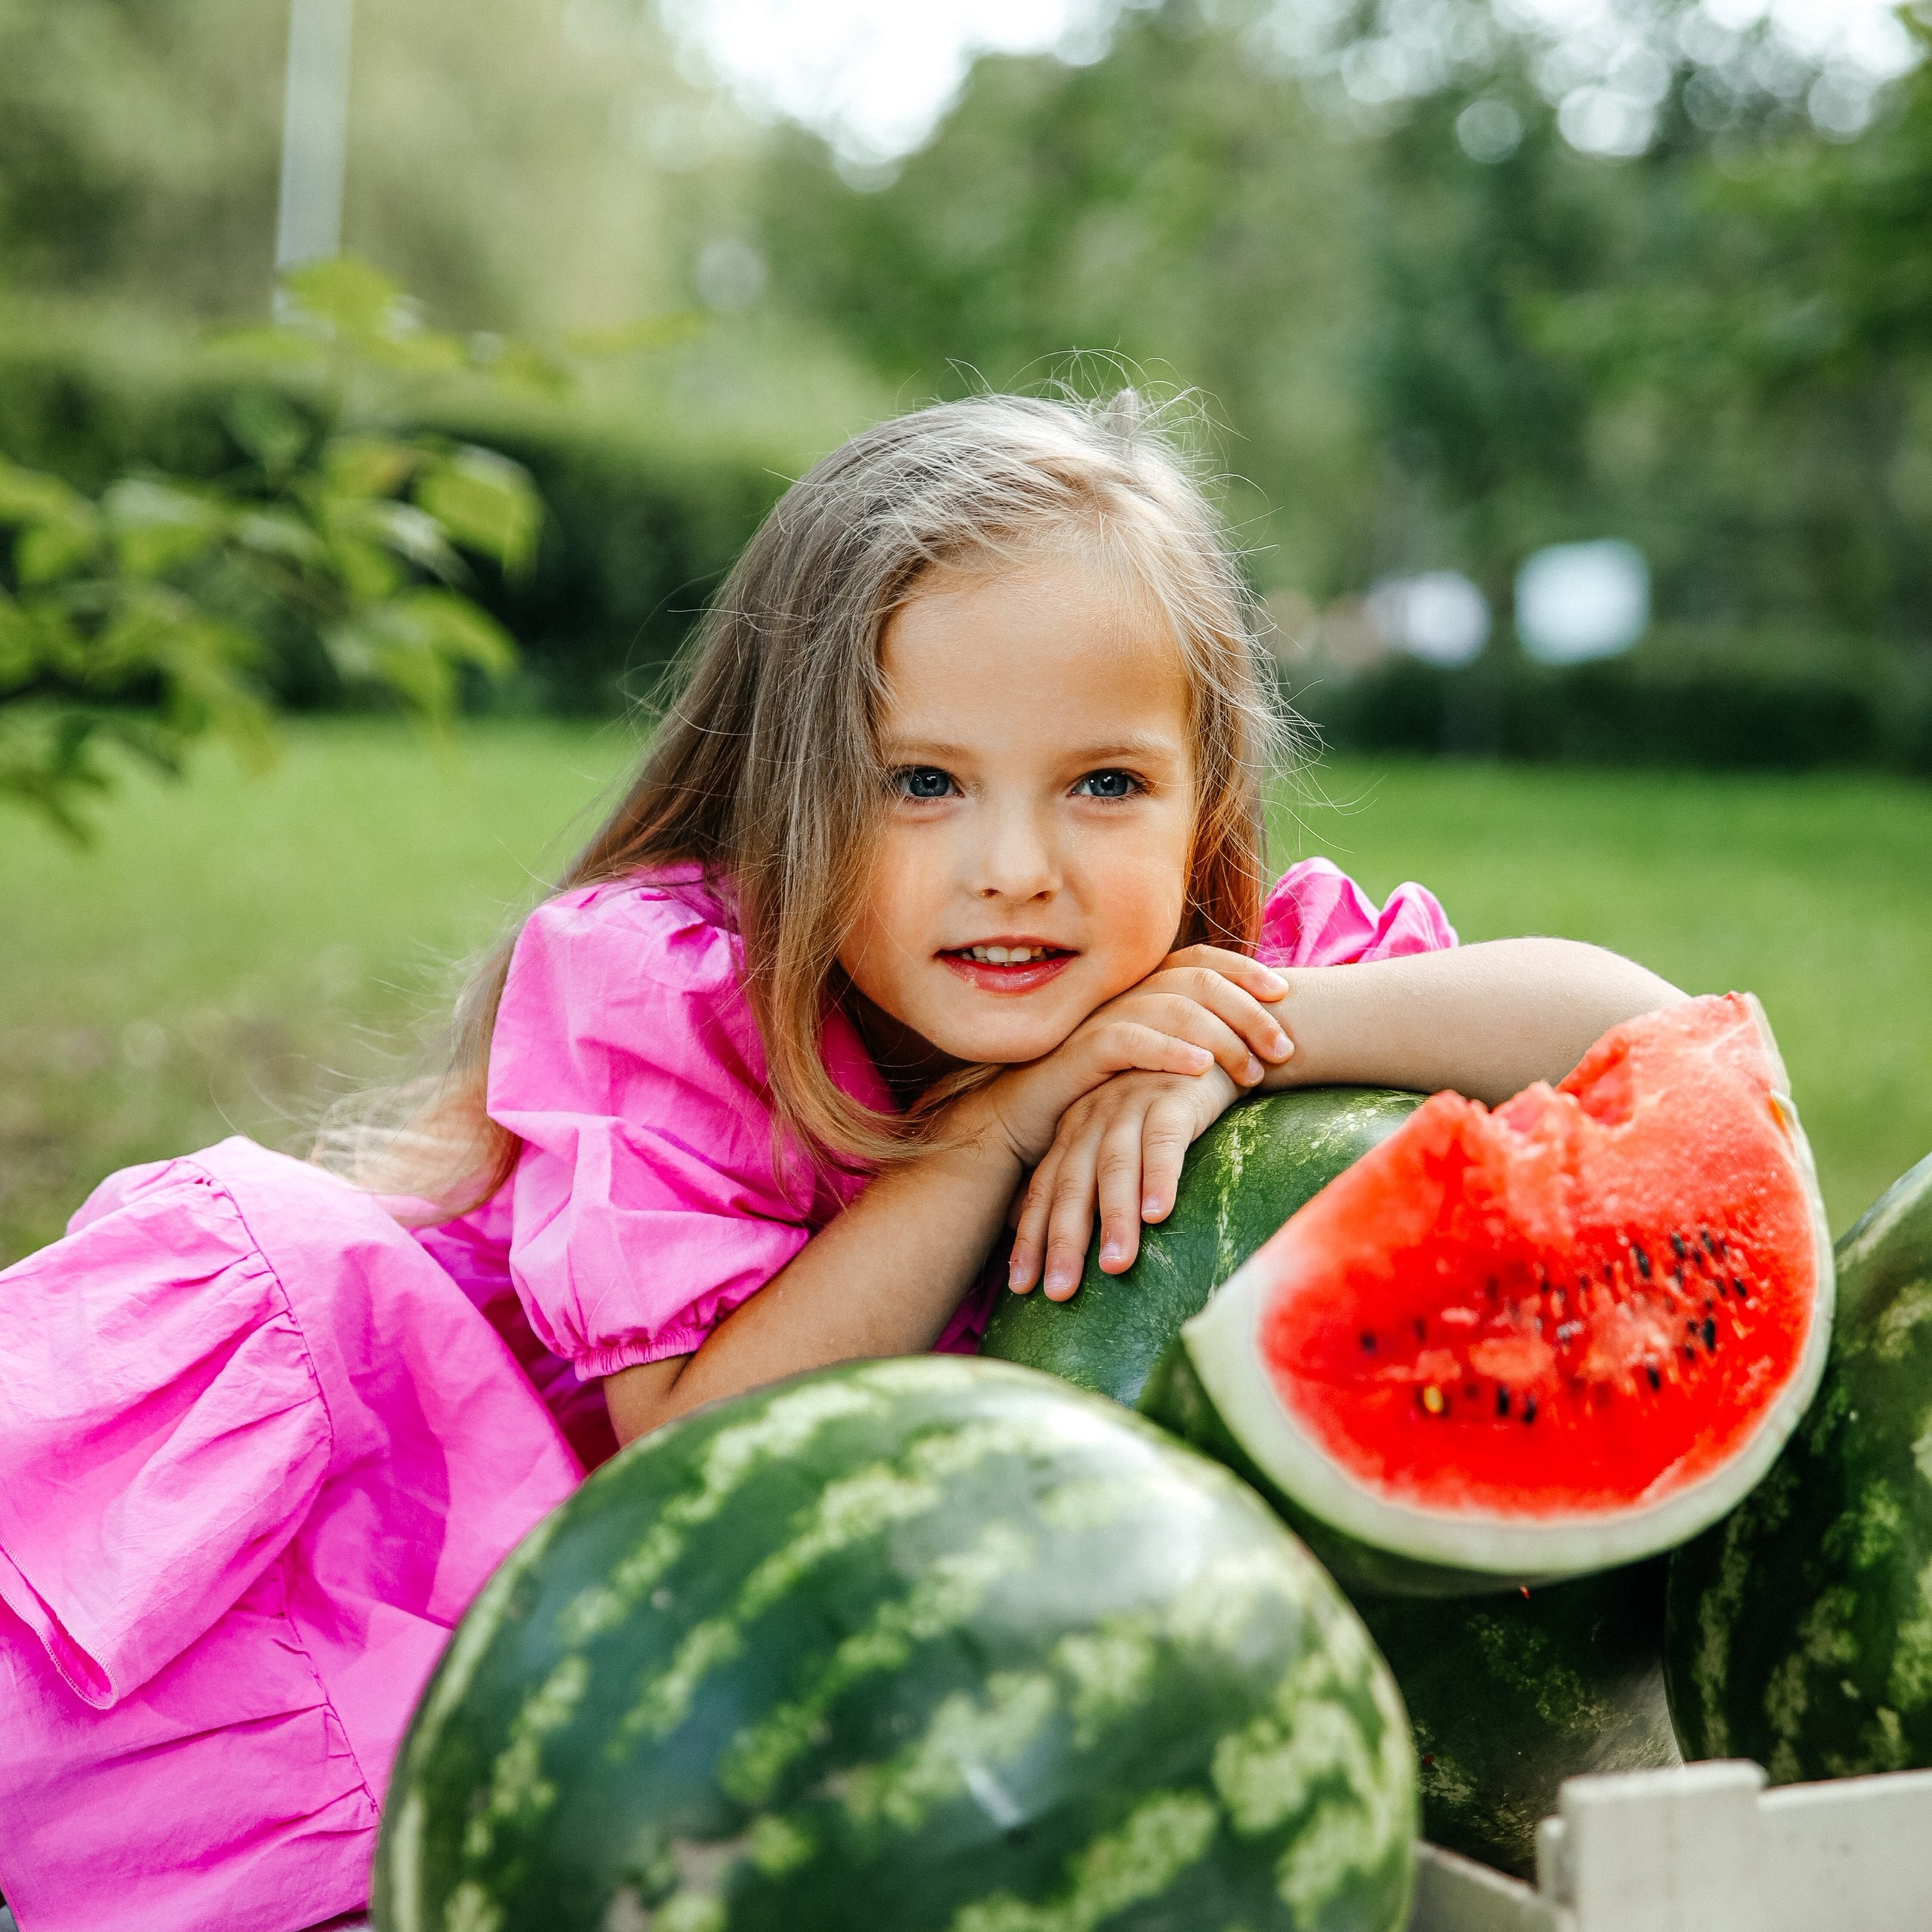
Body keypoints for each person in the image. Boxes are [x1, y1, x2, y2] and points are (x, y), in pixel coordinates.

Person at [0, 392, 1681, 1931]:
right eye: (920, 784)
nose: (1014, 866)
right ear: (786, 790)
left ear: (1204, 795)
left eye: (1104, 782)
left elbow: (1643, 1029)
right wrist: (991, 1132)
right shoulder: (671, 984)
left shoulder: (1229, 962)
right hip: (444, 1502)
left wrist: (1254, 1026)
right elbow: (696, 1464)